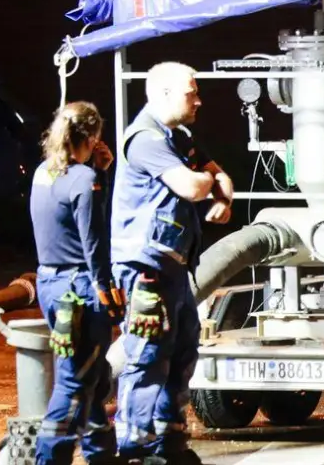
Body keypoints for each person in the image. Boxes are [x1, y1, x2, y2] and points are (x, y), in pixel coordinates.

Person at [111, 62, 233, 465]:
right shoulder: (145, 140)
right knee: (147, 356)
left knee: (181, 352)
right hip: (147, 267)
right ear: (163, 93)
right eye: (190, 92)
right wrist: (208, 187)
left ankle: (170, 442)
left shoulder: (178, 137)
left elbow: (220, 177)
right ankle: (134, 448)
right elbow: (192, 184)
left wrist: (221, 196)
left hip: (174, 267)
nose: (198, 99)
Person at [29, 101, 121, 465]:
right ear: (93, 137)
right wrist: (106, 289)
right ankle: (49, 458)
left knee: (93, 377)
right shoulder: (84, 180)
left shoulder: (42, 172)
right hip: (80, 288)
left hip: (49, 284)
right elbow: (92, 239)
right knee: (75, 379)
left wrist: (98, 173)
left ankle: (101, 454)